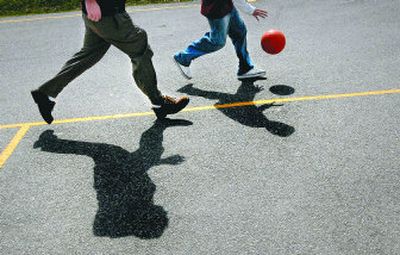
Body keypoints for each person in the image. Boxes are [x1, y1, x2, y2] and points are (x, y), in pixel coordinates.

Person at [31, 0, 189, 124]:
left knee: (88, 55)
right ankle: (159, 103)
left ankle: (45, 93)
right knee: (140, 49)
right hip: (108, 15)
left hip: (97, 16)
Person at [173, 0, 268, 80]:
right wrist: (250, 10)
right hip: (216, 9)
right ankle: (183, 58)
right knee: (217, 41)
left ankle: (245, 68)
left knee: (239, 31)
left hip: (226, 5)